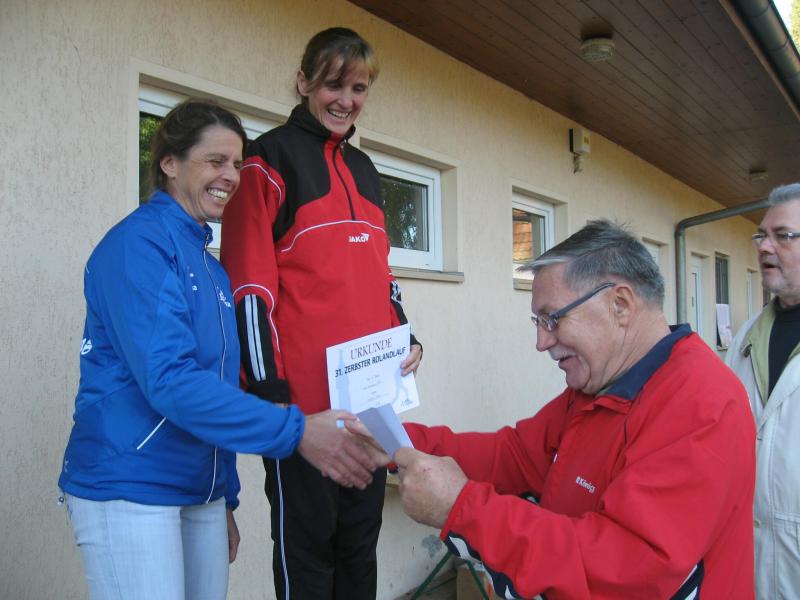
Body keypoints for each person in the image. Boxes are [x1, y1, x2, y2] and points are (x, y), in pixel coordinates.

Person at [58, 99, 382, 600]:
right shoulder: (137, 245)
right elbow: (172, 382)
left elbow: (220, 384)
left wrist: (224, 493)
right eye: (215, 161)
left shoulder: (209, 265)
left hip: (200, 490)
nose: (231, 175)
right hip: (131, 485)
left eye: (236, 162)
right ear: (170, 163)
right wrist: (296, 430)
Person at [387, 221, 756, 599]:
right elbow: (513, 456)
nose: (541, 341)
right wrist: (393, 442)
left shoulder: (702, 403)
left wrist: (462, 508)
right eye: (538, 322)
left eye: (552, 319)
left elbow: (624, 572)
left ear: (620, 305)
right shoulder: (599, 387)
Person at [220, 27, 422, 600]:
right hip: (306, 415)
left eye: (359, 88)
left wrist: (408, 337)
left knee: (359, 550)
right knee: (308, 562)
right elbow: (249, 290)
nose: (346, 100)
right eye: (334, 84)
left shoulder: (365, 169)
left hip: (370, 408)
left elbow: (382, 277)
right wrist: (276, 406)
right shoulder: (267, 160)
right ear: (304, 82)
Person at [726, 183, 800, 600]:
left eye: (783, 235)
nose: (765, 247)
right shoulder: (746, 338)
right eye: (761, 235)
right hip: (751, 565)